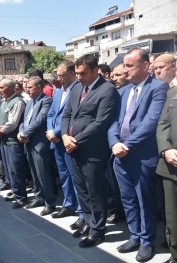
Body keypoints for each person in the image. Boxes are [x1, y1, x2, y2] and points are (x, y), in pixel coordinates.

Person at [108, 48, 168, 262]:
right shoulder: (123, 91)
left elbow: (150, 123)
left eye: (129, 65)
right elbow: (113, 122)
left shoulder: (158, 88)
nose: (124, 70)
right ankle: (134, 235)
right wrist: (115, 143)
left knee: (145, 200)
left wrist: (127, 145)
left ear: (144, 66)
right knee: (128, 199)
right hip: (120, 155)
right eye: (124, 65)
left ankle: (147, 241)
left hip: (142, 156)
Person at [61, 54, 119, 248]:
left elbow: (101, 123)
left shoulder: (107, 90)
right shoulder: (77, 88)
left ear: (95, 70)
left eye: (83, 73)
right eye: (76, 73)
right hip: (73, 147)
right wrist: (64, 136)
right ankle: (88, 221)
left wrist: (76, 139)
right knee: (82, 189)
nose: (78, 77)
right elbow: (67, 114)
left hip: (93, 150)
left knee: (95, 190)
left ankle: (98, 230)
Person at [47, 61, 83, 225]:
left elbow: (71, 116)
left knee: (76, 178)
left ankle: (82, 212)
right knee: (64, 175)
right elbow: (52, 113)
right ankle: (69, 204)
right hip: (56, 141)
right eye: (58, 75)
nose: (58, 78)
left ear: (71, 74)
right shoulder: (59, 92)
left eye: (61, 75)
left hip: (68, 139)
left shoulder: (79, 89)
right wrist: (50, 131)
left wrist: (56, 132)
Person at [17, 76, 56, 215]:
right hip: (28, 141)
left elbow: (40, 120)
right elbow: (24, 120)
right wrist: (21, 132)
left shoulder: (47, 101)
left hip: (39, 143)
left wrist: (25, 133)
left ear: (39, 87)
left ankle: (50, 202)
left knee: (43, 173)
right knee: (34, 172)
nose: (27, 89)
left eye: (30, 87)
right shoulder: (29, 102)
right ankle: (39, 197)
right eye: (26, 87)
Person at [154, 53, 177, 263]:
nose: (157, 72)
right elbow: (162, 125)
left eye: (161, 67)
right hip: (171, 164)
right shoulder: (170, 92)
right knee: (172, 215)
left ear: (174, 66)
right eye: (155, 68)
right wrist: (166, 150)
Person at [0, 78, 27, 209]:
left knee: (16, 169)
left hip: (13, 141)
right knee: (8, 168)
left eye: (2, 87)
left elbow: (13, 123)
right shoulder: (3, 102)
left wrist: (0, 130)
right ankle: (15, 190)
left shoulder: (18, 102)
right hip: (4, 140)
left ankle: (21, 197)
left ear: (11, 88)